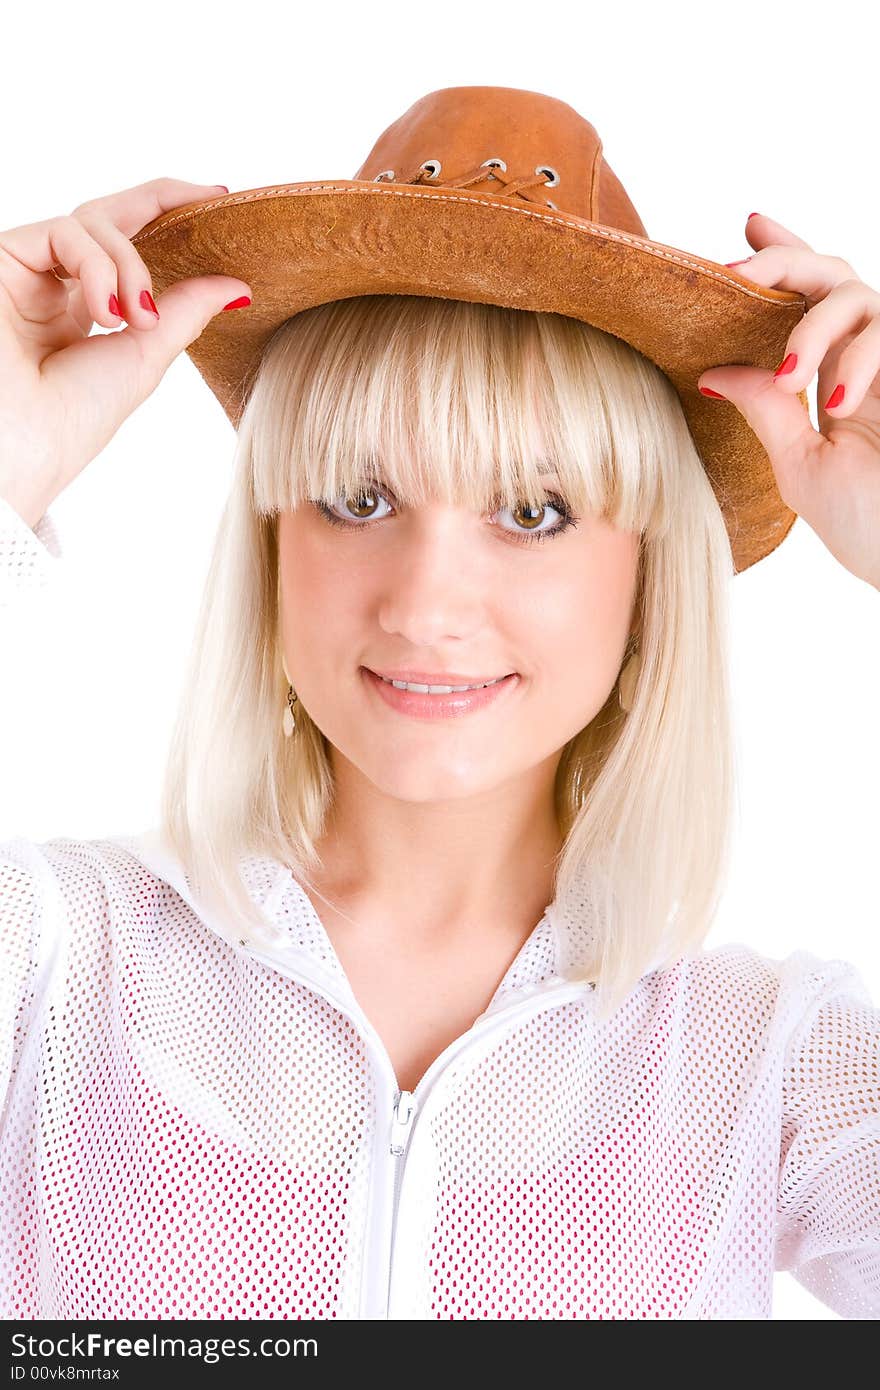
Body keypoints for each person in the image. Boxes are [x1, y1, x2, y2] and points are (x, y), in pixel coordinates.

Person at [1, 87, 879, 1320]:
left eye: (533, 513)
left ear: (646, 576)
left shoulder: (771, 1066)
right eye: (359, 500)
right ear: (271, 543)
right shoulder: (50, 969)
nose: (425, 604)